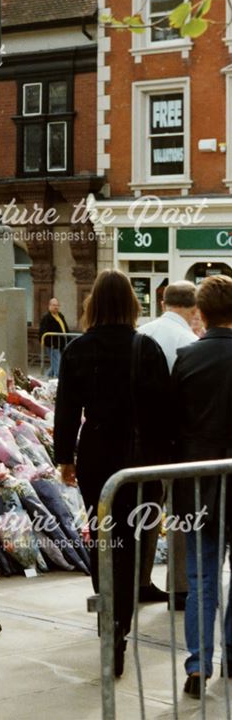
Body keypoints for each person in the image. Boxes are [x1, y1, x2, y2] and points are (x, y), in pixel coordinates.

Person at [54, 269, 171, 677]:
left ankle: (108, 611)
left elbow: (66, 410)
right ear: (131, 305)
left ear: (92, 305)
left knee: (104, 535)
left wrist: (64, 458)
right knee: (132, 540)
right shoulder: (147, 348)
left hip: (97, 453)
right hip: (142, 458)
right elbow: (164, 411)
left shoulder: (77, 350)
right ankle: (121, 620)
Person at [171, 275, 232, 700]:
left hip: (198, 484)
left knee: (201, 577)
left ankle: (197, 665)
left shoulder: (187, 359)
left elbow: (173, 426)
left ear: (201, 313)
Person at [138, 281, 199, 609]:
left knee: (145, 511)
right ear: (194, 310)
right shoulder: (190, 342)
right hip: (178, 442)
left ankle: (139, 579)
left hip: (143, 442)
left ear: (162, 301)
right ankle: (178, 586)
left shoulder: (142, 333)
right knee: (179, 515)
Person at [39, 297, 69, 377]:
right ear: (49, 306)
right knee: (58, 366)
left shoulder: (60, 316)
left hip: (62, 344)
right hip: (53, 345)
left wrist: (68, 340)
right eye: (54, 305)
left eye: (57, 305)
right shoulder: (47, 318)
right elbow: (42, 332)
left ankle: (46, 378)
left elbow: (65, 328)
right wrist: (49, 343)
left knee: (57, 364)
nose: (56, 307)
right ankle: (57, 382)